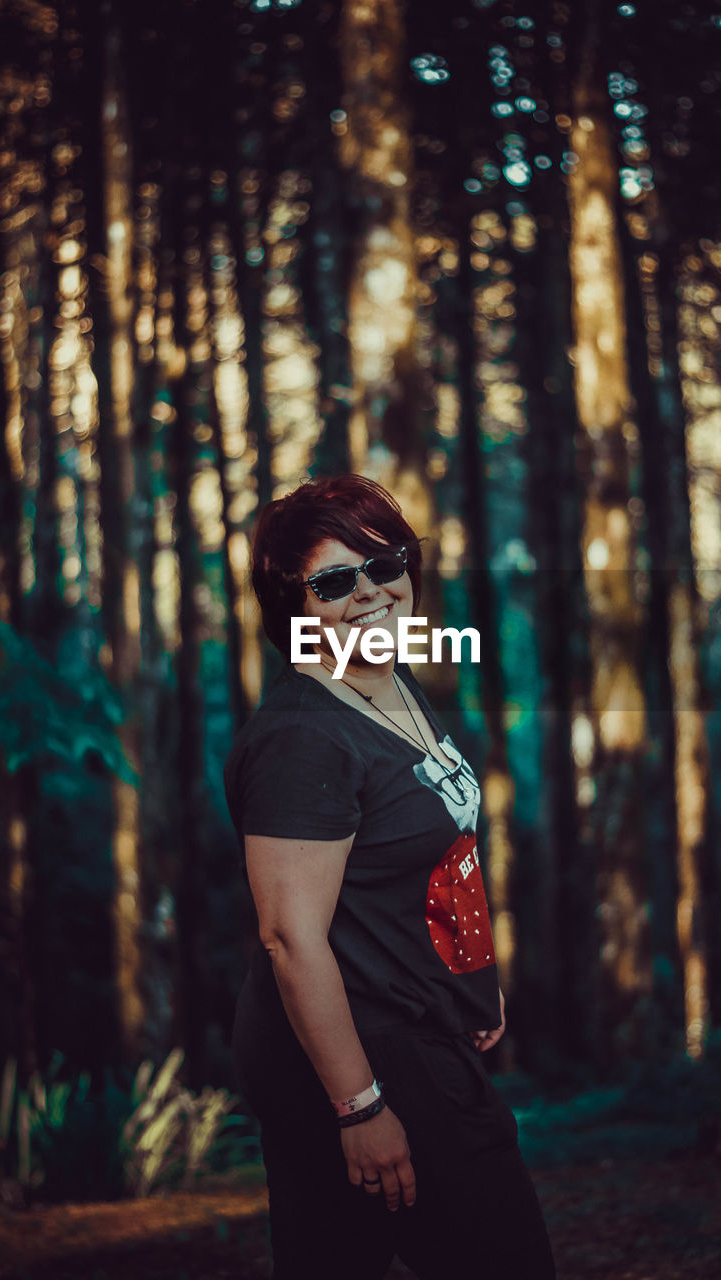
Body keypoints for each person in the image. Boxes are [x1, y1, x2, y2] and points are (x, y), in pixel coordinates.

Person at [224, 475, 555, 1280]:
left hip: (410, 1025)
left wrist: (467, 977)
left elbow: (420, 861)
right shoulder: (304, 739)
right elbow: (290, 938)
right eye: (335, 581)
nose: (371, 592)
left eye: (385, 563)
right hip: (359, 1055)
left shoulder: (389, 679)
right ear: (291, 604)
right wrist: (359, 1106)